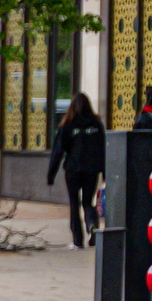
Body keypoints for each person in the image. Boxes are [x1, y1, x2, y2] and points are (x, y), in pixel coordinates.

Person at [45, 91, 106, 247]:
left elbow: (58, 151)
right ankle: (92, 224)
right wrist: (105, 172)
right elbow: (103, 149)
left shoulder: (68, 124)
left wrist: (51, 175)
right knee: (87, 202)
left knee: (74, 204)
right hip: (92, 170)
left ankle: (77, 241)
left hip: (73, 170)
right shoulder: (96, 124)